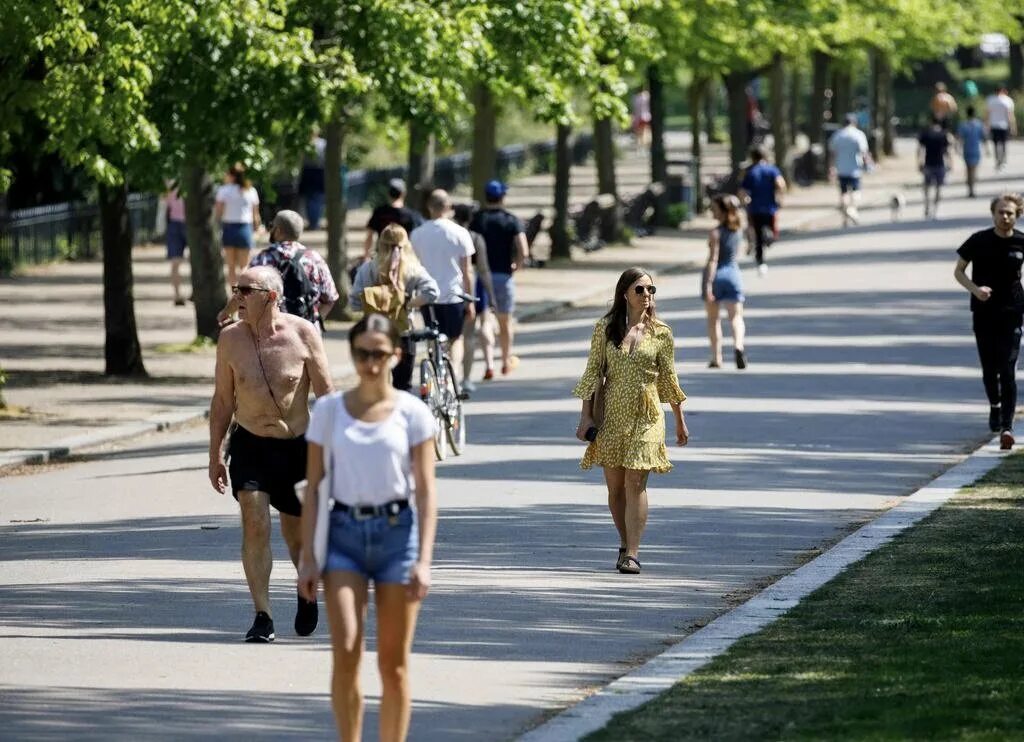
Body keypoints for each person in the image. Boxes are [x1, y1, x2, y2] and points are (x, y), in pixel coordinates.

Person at [298, 313, 437, 742]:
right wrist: (308, 557)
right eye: (362, 353)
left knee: (393, 665)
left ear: (395, 354)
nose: (371, 363)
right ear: (353, 354)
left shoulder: (413, 413)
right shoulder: (328, 411)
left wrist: (424, 561)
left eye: (379, 354)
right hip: (344, 537)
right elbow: (316, 485)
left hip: (398, 537)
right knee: (346, 650)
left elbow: (427, 493)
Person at [208, 266, 333, 642]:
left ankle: (306, 589)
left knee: (296, 536)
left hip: (297, 448)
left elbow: (328, 397)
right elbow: (222, 400)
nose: (238, 297)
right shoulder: (230, 340)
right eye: (235, 289)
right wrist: (215, 454)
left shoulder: (303, 334)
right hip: (250, 443)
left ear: (271, 296)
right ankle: (262, 614)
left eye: (246, 290)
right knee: (255, 519)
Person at [572, 267, 689, 575]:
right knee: (616, 487)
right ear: (624, 293)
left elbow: (668, 379)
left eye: (651, 290)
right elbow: (593, 372)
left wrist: (679, 419)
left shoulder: (661, 333)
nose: (647, 296)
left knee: (635, 482)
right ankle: (624, 543)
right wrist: (585, 415)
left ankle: (634, 553)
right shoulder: (605, 328)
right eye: (640, 290)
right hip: (612, 412)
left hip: (648, 413)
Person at [953, 193, 1024, 451]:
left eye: (1010, 213)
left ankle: (1007, 427)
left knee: (1008, 368)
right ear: (993, 214)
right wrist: (975, 289)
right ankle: (994, 405)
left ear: (1017, 216)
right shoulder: (978, 240)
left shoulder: (1020, 242)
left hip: (1013, 311)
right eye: (1001, 212)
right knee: (989, 368)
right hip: (984, 312)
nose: (1005, 217)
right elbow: (958, 271)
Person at [217, 210, 338, 332]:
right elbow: (330, 298)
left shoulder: (264, 258)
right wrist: (314, 323)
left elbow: (244, 291)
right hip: (307, 333)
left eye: (272, 227)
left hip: (272, 332)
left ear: (278, 230)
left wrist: (226, 312)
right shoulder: (314, 258)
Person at [351, 224, 439, 391]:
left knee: (375, 383)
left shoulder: (367, 269)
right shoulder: (413, 269)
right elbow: (432, 292)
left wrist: (374, 303)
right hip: (403, 332)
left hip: (373, 333)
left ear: (380, 243)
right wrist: (408, 304)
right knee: (403, 386)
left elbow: (354, 302)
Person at [410, 190, 476, 380]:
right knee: (456, 339)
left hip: (427, 297)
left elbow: (413, 268)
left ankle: (436, 375)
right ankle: (453, 374)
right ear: (449, 207)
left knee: (433, 338)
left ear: (429, 207)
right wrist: (470, 300)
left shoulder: (417, 234)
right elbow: (467, 271)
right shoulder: (460, 233)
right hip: (453, 295)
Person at [469, 180, 529, 377]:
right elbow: (523, 249)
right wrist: (516, 265)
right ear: (502, 197)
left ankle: (489, 365)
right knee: (505, 322)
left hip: (482, 277)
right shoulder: (511, 220)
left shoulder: (477, 220)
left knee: (484, 321)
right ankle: (505, 361)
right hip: (504, 276)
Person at [453, 203, 498, 393]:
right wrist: (491, 295)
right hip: (473, 286)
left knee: (452, 337)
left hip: (451, 286)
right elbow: (484, 269)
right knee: (468, 335)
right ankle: (466, 378)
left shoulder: (451, 236)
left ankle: (450, 374)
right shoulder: (476, 238)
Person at [702, 195, 748, 369]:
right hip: (733, 275)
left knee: (714, 320)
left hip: (716, 277)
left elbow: (713, 260)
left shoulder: (715, 233)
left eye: (714, 208)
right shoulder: (738, 229)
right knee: (736, 317)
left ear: (722, 210)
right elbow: (739, 208)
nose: (712, 211)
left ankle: (717, 357)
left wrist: (708, 284)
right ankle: (738, 346)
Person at [739, 146, 786, 275]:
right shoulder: (772, 170)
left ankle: (760, 261)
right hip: (770, 207)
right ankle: (770, 239)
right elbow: (781, 184)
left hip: (755, 208)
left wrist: (744, 202)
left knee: (758, 235)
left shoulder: (750, 172)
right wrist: (780, 197)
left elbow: (742, 192)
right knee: (772, 228)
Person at [215, 163, 262, 288]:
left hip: (229, 228)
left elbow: (218, 212)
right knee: (244, 266)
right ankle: (244, 294)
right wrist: (257, 229)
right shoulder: (251, 191)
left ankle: (233, 295)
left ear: (232, 176)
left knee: (231, 267)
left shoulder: (223, 191)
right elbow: (256, 215)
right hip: (245, 229)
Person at [363, 179, 425, 261]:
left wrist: (366, 256)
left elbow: (369, 235)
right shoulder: (412, 216)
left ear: (388, 193)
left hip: (382, 258)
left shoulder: (379, 212)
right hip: (404, 258)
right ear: (403, 193)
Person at [829, 113, 872, 227]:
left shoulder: (837, 135)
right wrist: (868, 165)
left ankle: (845, 217)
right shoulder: (859, 135)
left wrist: (832, 167)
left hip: (841, 168)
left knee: (843, 193)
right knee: (856, 192)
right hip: (855, 169)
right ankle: (852, 210)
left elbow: (833, 153)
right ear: (854, 122)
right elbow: (864, 153)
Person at [918, 116, 954, 219]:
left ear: (931, 122)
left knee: (926, 187)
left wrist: (919, 162)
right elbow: (948, 151)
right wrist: (950, 163)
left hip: (928, 163)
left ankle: (927, 206)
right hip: (940, 164)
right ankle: (935, 209)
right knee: (939, 188)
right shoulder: (944, 135)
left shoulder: (926, 134)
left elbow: (920, 149)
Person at [298, 129, 327, 230]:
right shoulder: (323, 143)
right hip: (318, 172)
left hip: (309, 172)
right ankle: (314, 222)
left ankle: (313, 222)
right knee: (316, 199)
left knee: (310, 199)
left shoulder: (305, 144)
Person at [165, 184, 187, 306]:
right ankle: (193, 293)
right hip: (190, 222)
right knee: (197, 261)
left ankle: (177, 294)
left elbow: (166, 202)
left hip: (174, 223)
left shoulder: (170, 183)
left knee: (175, 262)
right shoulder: (191, 180)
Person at [957, 105, 987, 198]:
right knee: (973, 170)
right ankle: (972, 189)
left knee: (968, 170)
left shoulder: (963, 125)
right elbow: (984, 137)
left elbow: (959, 138)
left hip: (966, 150)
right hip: (976, 150)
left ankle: (970, 189)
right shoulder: (979, 124)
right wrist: (987, 149)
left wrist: (957, 148)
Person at [986, 86, 1016, 171]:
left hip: (994, 125)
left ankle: (997, 160)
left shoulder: (990, 100)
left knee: (995, 144)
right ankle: (1003, 160)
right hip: (1004, 125)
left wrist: (986, 125)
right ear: (1003, 91)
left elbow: (987, 114)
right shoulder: (1008, 100)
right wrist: (1013, 126)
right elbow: (1010, 115)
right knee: (1004, 144)